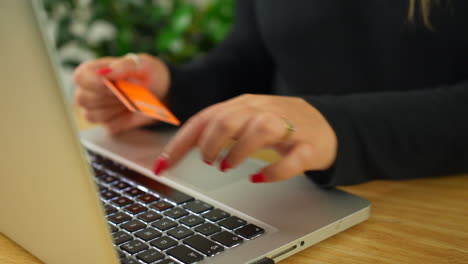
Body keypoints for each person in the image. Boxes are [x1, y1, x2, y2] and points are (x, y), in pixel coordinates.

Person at [73, 0, 468, 187]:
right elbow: (254, 58)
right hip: (294, 191)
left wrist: (337, 125)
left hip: (430, 201)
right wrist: (173, 88)